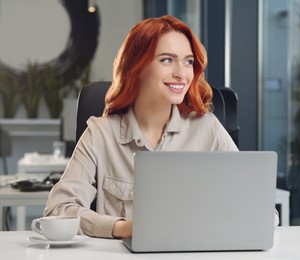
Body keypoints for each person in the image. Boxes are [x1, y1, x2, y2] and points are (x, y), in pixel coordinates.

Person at [43, 15, 242, 239]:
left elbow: (257, 208)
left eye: (188, 61)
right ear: (136, 67)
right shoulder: (100, 134)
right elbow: (58, 209)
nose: (181, 73)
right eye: (167, 60)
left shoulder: (208, 129)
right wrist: (121, 228)